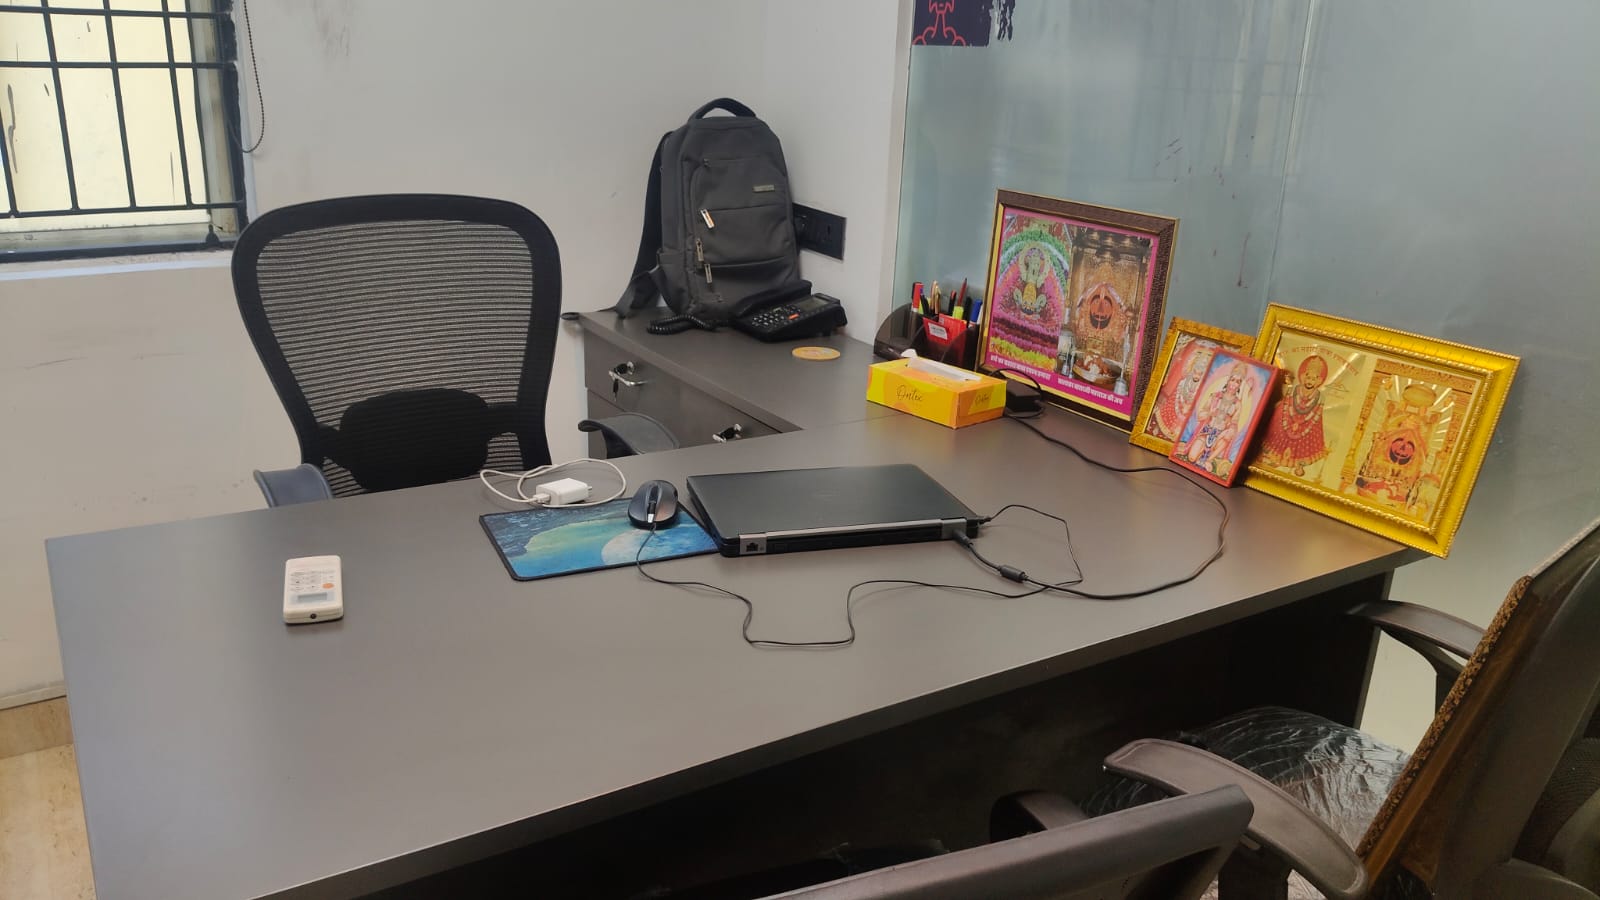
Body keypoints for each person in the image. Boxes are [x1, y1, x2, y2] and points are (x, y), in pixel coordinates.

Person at [1258, 355, 1330, 476]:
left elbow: (1317, 413)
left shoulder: (1319, 396)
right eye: (1308, 377)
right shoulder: (1294, 389)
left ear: (1319, 381)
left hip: (1307, 424)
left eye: (1313, 379)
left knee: (1308, 436)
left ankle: (1298, 463)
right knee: (1279, 419)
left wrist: (1304, 421)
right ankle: (1273, 457)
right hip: (1288, 419)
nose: (1309, 381)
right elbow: (1286, 403)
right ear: (1303, 377)